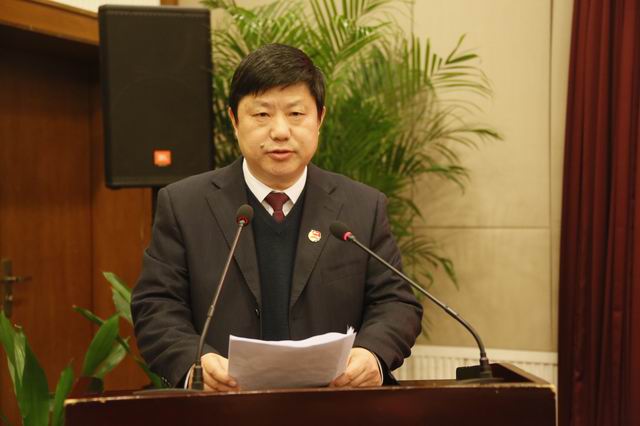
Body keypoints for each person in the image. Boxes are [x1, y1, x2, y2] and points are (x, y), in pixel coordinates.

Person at [131, 43, 423, 392]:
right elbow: (156, 306)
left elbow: (396, 302)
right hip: (224, 406)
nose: (280, 131)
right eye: (262, 114)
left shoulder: (362, 206)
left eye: (296, 113)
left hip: (335, 404)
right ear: (234, 121)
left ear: (320, 119)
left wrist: (372, 354)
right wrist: (196, 362)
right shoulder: (184, 205)